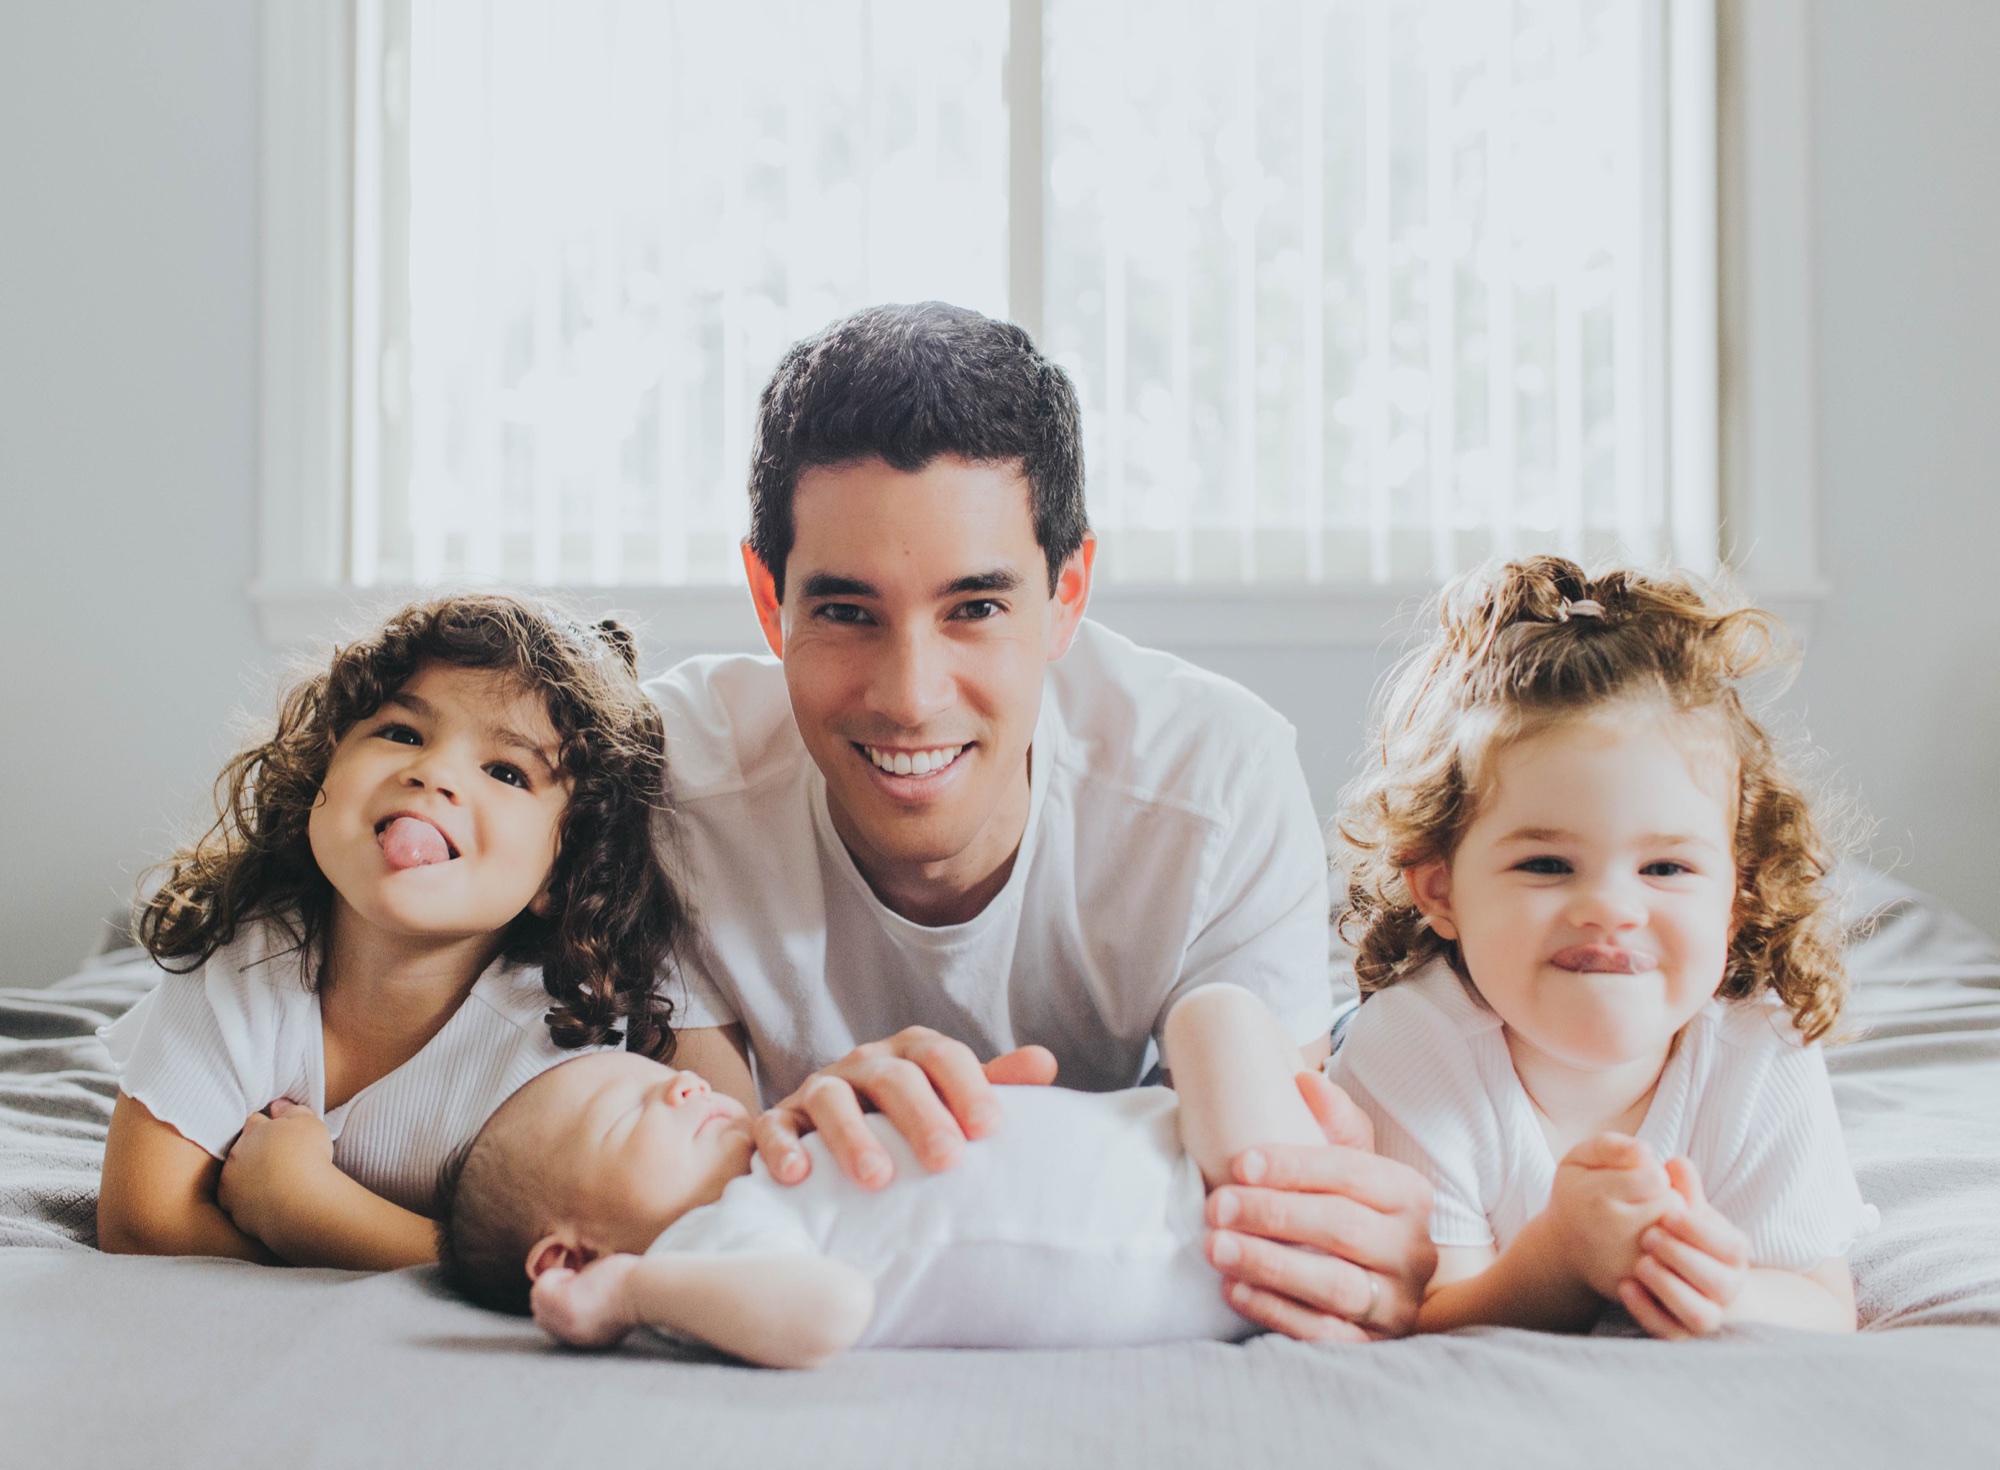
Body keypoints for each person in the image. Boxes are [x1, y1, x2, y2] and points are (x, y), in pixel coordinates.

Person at [650, 301, 1435, 1340]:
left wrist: (1350, 1249)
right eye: (845, 612)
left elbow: (1273, 1206)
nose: (910, 697)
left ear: (1068, 594)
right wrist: (775, 1142)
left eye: (974, 608)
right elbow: (680, 1203)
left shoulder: (1215, 786)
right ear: (768, 601)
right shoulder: (673, 788)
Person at [1329, 557, 1876, 1337]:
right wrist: (1560, 1258)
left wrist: (1725, 1291)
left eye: (1666, 868)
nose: (1612, 910)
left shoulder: (1762, 1045)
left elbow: (1823, 1306)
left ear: (1738, 894)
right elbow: (1423, 1315)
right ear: (1440, 889)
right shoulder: (1412, 1045)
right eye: (1547, 865)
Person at [95, 594, 688, 1270]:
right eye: (403, 733)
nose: (433, 773)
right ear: (321, 767)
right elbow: (140, 1222)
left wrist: (304, 1207)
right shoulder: (246, 950)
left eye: (506, 772)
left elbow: (552, 1267)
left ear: (565, 871)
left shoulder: (559, 1042)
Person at [435, 984, 1329, 1366]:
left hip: (1176, 1146)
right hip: (1211, 1221)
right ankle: (1335, 1191)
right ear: (571, 1258)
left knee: (1217, 1015)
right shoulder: (704, 1250)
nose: (681, 1085)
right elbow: (829, 1311)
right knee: (1214, 1015)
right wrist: (631, 1292)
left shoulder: (786, 1150)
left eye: (656, 1075)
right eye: (628, 1113)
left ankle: (1341, 1169)